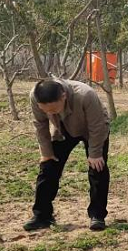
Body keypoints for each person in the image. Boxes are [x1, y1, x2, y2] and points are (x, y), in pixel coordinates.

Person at [25, 79, 111, 232]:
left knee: (97, 168)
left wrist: (95, 153)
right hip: (62, 128)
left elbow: (97, 125)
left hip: (92, 129)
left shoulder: (85, 95)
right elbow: (40, 125)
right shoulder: (35, 96)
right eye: (46, 111)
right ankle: (42, 216)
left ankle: (97, 215)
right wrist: (46, 153)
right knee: (48, 167)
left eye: (53, 109)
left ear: (63, 96)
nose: (50, 113)